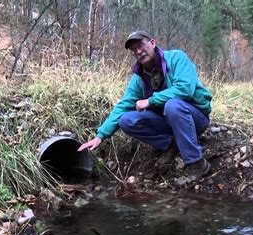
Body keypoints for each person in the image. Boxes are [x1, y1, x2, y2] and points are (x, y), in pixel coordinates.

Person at [78, 30, 213, 180]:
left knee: (172, 105)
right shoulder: (139, 78)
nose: (139, 51)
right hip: (169, 121)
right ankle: (172, 144)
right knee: (126, 120)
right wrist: (100, 136)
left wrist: (150, 101)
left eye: (141, 45)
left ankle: (197, 163)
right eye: (134, 50)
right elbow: (124, 105)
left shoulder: (176, 58)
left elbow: (185, 89)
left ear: (153, 43)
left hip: (195, 119)